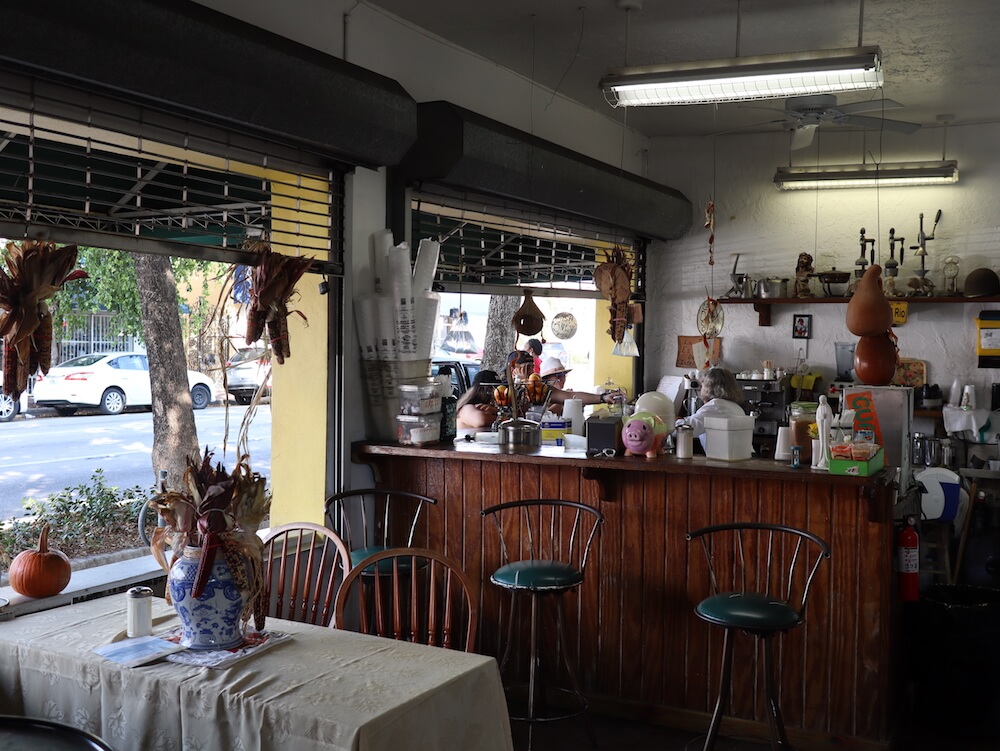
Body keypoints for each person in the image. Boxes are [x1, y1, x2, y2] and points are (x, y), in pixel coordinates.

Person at [675, 367, 745, 449]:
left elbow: (685, 429)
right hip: (742, 457)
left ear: (709, 388)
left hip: (726, 460)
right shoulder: (735, 407)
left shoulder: (715, 406)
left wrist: (668, 422)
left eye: (702, 385)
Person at [537, 357, 618, 416]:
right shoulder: (538, 394)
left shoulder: (561, 394)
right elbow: (545, 415)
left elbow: (571, 396)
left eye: (563, 375)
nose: (562, 379)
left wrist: (603, 397)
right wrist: (566, 402)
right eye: (558, 375)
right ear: (546, 380)